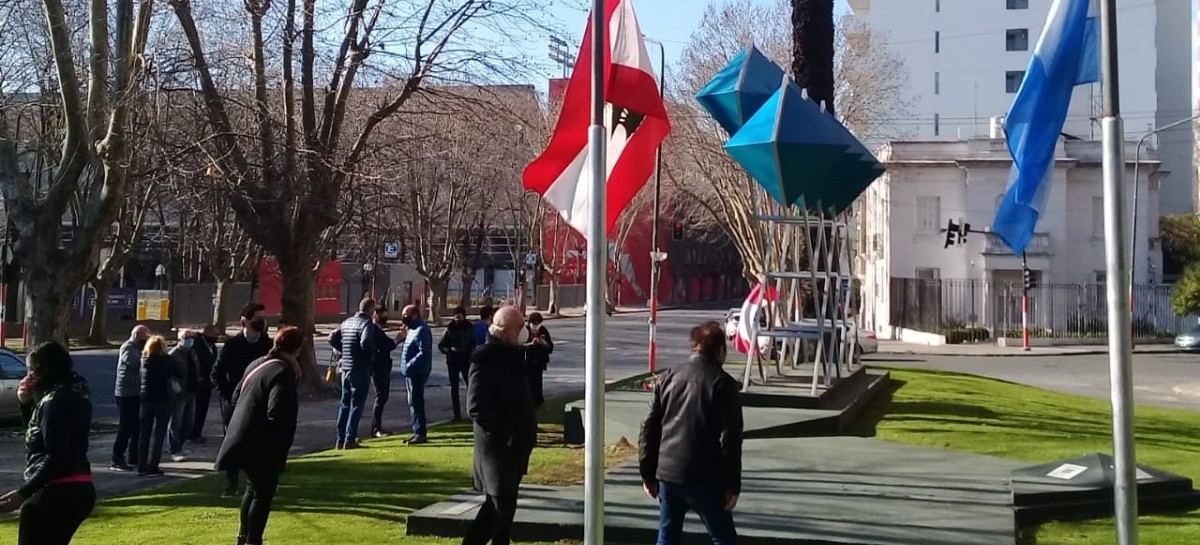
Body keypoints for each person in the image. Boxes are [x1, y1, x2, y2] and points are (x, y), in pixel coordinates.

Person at [638, 321, 744, 545]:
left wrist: (648, 473)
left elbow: (650, 427)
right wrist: (732, 485)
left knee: (667, 536)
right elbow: (730, 438)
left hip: (668, 473)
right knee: (723, 536)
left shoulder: (668, 377)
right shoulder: (723, 384)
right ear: (719, 350)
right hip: (705, 476)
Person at [0, 342, 94, 545]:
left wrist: (22, 493)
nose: (28, 377)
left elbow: (55, 455)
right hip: (79, 486)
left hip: (56, 489)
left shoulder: (54, 401)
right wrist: (26, 405)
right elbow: (38, 437)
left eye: (32, 370)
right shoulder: (77, 393)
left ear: (44, 369)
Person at [215, 327, 301, 545]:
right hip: (262, 442)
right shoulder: (283, 372)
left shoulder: (258, 364)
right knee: (263, 493)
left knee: (252, 489)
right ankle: (254, 539)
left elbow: (236, 397)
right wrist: (277, 445)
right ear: (298, 349)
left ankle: (243, 536)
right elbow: (278, 411)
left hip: (243, 435)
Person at [461, 306, 538, 545]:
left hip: (512, 453)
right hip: (497, 454)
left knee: (496, 517)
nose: (524, 332)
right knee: (498, 518)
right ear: (505, 332)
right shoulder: (485, 360)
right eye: (519, 328)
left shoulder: (511, 357)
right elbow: (476, 407)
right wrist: (509, 433)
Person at [213, 302, 272, 496]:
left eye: (263, 318)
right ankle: (231, 483)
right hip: (235, 402)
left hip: (259, 400)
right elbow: (217, 373)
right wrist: (229, 395)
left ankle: (255, 482)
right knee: (234, 441)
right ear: (244, 321)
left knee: (259, 441)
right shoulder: (232, 345)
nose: (261, 323)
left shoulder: (267, 345)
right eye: (257, 319)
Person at [329, 298, 382, 450]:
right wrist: (370, 355)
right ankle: (350, 439)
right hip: (359, 368)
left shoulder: (347, 322)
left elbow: (331, 337)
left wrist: (343, 349)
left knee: (345, 404)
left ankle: (340, 439)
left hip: (345, 367)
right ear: (371, 310)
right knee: (356, 405)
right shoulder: (367, 324)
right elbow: (365, 342)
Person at [111, 325, 149, 471]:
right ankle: (117, 458)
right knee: (126, 427)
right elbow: (135, 364)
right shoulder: (128, 348)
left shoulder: (138, 348)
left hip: (136, 392)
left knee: (137, 427)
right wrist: (146, 356)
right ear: (137, 337)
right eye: (145, 339)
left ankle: (134, 456)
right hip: (126, 393)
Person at [137, 335, 176, 476]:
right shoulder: (165, 360)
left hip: (146, 399)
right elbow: (171, 374)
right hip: (162, 399)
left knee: (144, 434)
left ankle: (141, 464)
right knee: (159, 434)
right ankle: (153, 464)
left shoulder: (144, 360)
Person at [399, 304, 433, 445]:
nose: (403, 319)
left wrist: (409, 365)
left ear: (414, 315)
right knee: (412, 401)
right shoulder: (412, 329)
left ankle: (420, 433)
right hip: (410, 372)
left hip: (417, 372)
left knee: (416, 401)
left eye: (406, 316)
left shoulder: (422, 330)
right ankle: (416, 431)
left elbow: (424, 352)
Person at [167, 329, 200, 462]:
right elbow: (169, 375)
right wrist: (174, 387)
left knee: (189, 422)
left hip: (191, 391)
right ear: (179, 340)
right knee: (175, 422)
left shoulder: (192, 353)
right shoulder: (173, 355)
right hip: (179, 393)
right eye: (186, 337)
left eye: (191, 337)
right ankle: (173, 450)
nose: (190, 340)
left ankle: (179, 446)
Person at [438, 307, 476, 421]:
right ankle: (457, 414)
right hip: (453, 361)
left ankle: (471, 412)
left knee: (470, 387)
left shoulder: (470, 328)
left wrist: (471, 355)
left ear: (464, 317)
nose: (458, 319)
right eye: (456, 317)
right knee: (454, 388)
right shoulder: (450, 329)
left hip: (466, 361)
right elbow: (441, 345)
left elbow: (473, 343)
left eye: (460, 317)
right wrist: (450, 350)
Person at [369, 306, 401, 438]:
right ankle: (376, 427)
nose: (385, 318)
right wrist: (398, 339)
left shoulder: (377, 330)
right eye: (383, 315)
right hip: (378, 368)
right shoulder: (374, 330)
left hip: (381, 366)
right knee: (381, 396)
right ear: (376, 314)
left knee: (383, 396)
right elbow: (387, 344)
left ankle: (378, 426)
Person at [190, 324, 220, 444]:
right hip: (199, 382)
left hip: (208, 383)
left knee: (203, 409)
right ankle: (193, 433)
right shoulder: (197, 345)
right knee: (196, 409)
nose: (216, 337)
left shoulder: (212, 347)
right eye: (214, 335)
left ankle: (198, 432)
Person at [523, 313, 553, 409]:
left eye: (538, 324)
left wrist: (543, 343)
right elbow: (520, 346)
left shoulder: (543, 331)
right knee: (527, 384)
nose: (536, 327)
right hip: (527, 362)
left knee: (537, 384)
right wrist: (531, 344)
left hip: (539, 362)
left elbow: (550, 347)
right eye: (533, 324)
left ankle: (537, 402)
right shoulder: (524, 331)